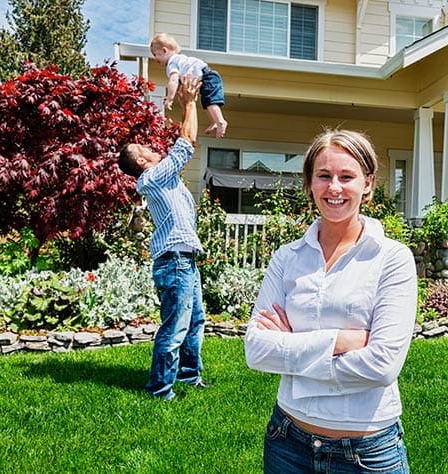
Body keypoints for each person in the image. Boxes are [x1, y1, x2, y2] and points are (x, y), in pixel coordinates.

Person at [245, 129, 417, 473]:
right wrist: (341, 341)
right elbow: (256, 351)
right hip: (287, 442)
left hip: (367, 451)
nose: (334, 187)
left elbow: (382, 366)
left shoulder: (393, 258)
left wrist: (291, 347)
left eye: (346, 176)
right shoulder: (287, 258)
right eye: (323, 176)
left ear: (367, 184)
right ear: (310, 183)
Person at [118, 76, 210, 401]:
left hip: (185, 261)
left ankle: (188, 376)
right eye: (145, 149)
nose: (151, 147)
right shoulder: (154, 176)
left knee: (195, 321)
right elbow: (186, 142)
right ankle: (159, 390)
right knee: (174, 328)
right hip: (174, 264)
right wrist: (189, 102)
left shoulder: (164, 180)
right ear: (142, 161)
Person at [150, 33, 228, 138]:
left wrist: (170, 98)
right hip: (208, 76)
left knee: (210, 103)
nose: (155, 59)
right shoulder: (179, 59)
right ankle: (215, 121)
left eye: (155, 54)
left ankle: (221, 121)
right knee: (206, 103)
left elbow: (173, 81)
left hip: (207, 77)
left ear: (164, 51)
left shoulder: (172, 63)